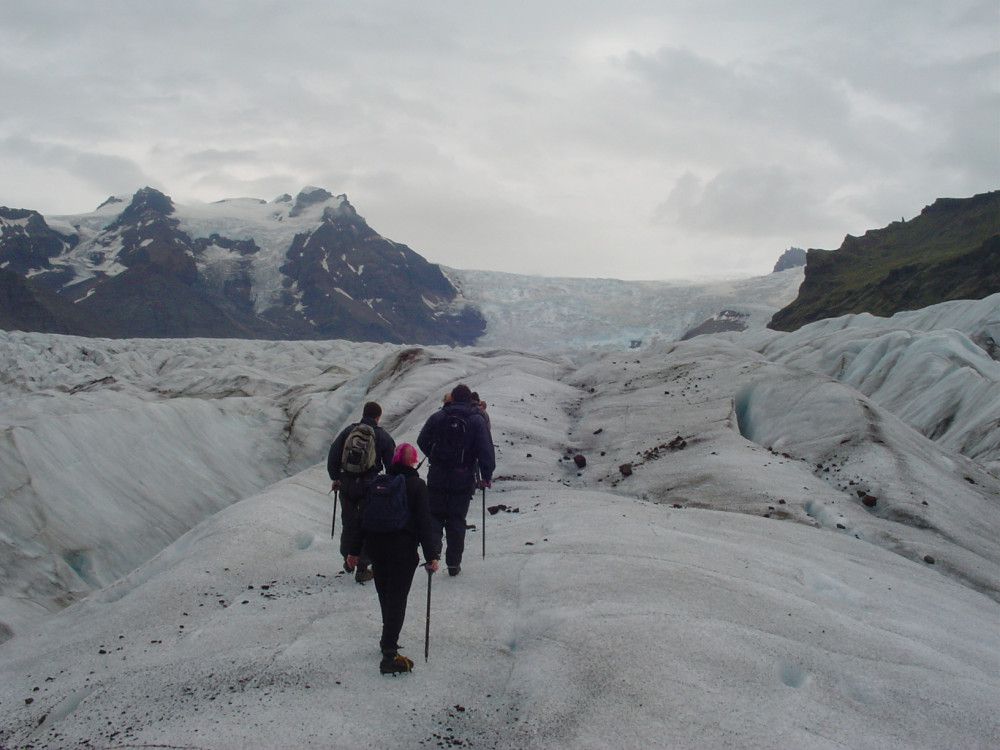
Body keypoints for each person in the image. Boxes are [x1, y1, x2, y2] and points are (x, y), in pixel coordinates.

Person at [346, 443, 440, 674]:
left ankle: (387, 635)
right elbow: (424, 523)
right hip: (403, 549)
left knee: (385, 593)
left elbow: (361, 519)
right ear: (412, 461)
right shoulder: (417, 485)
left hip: (377, 547)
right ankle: (389, 645)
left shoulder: (376, 484)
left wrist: (354, 551)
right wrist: (432, 556)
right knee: (398, 597)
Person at [417, 384, 495, 577]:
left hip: (437, 475)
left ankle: (433, 554)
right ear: (469, 400)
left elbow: (421, 440)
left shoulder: (438, 417)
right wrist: (486, 475)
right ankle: (453, 564)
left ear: (452, 399)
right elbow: (485, 450)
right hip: (462, 477)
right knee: (456, 520)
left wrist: (435, 456)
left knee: (434, 516)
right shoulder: (476, 420)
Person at [328, 401, 395, 583]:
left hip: (347, 483)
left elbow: (333, 454)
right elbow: (392, 465)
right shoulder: (382, 436)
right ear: (378, 417)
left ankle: (348, 559)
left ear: (363, 413)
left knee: (349, 521)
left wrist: (336, 478)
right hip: (370, 485)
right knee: (367, 524)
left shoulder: (348, 432)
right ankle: (363, 567)